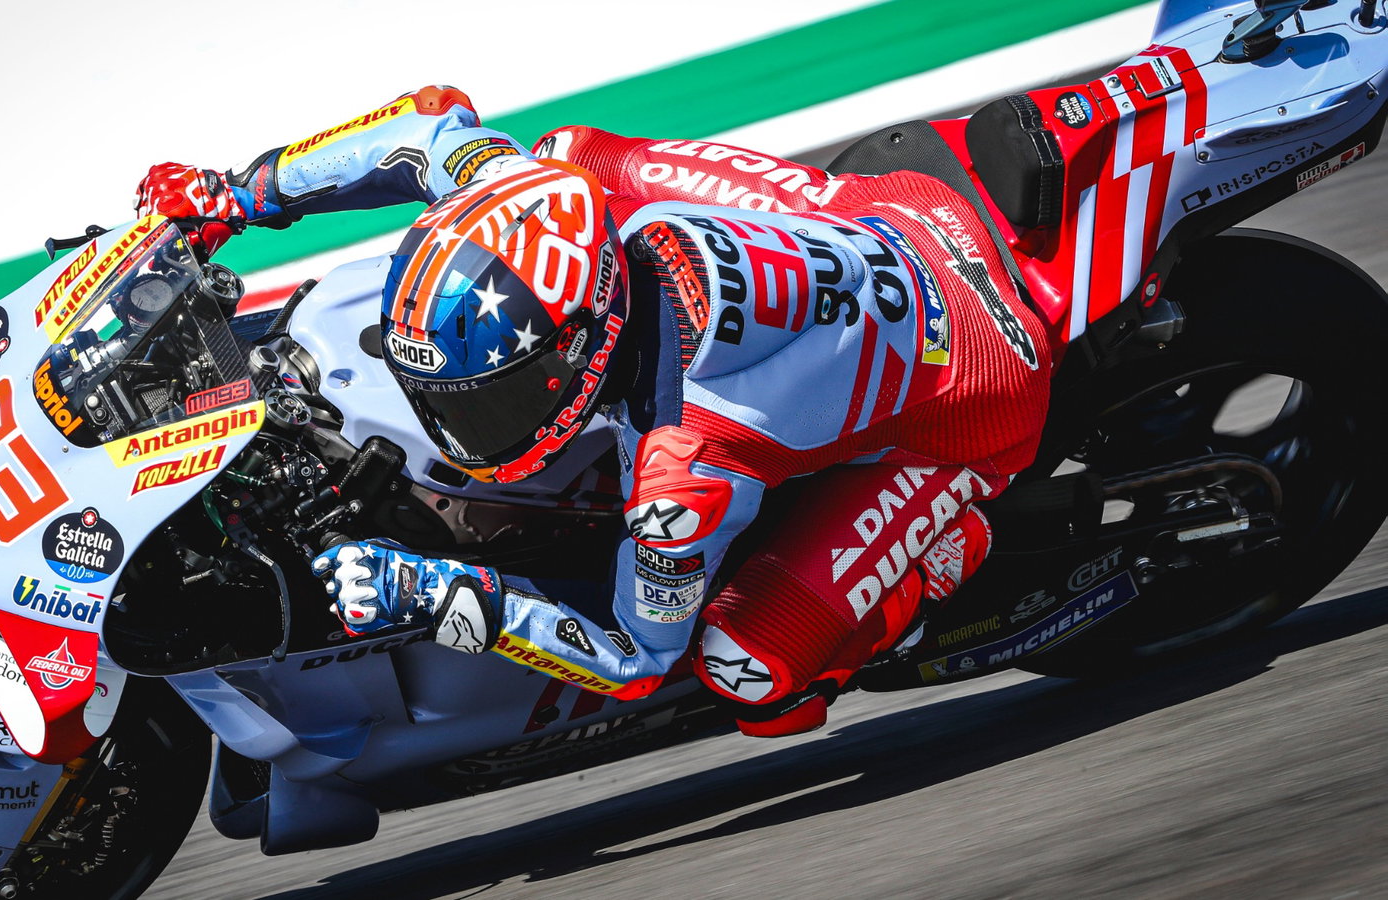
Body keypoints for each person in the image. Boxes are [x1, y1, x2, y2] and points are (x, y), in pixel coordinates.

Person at [135, 86, 1051, 735]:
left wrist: (440, 591)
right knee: (577, 148)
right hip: (895, 214)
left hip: (978, 388)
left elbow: (632, 657)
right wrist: (235, 194)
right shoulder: (530, 190)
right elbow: (421, 125)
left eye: (488, 401)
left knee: (750, 671)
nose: (453, 420)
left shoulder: (682, 469)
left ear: (582, 349)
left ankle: (946, 553)